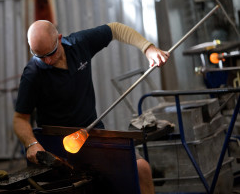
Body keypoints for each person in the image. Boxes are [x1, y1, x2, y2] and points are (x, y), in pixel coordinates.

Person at [13, 20, 169, 194]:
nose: (47, 60)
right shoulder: (32, 74)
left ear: (59, 38)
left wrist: (147, 48)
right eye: (40, 56)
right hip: (57, 145)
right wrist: (31, 143)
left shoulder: (79, 44)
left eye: (51, 53)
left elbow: (114, 29)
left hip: (92, 134)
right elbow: (20, 119)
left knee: (141, 169)